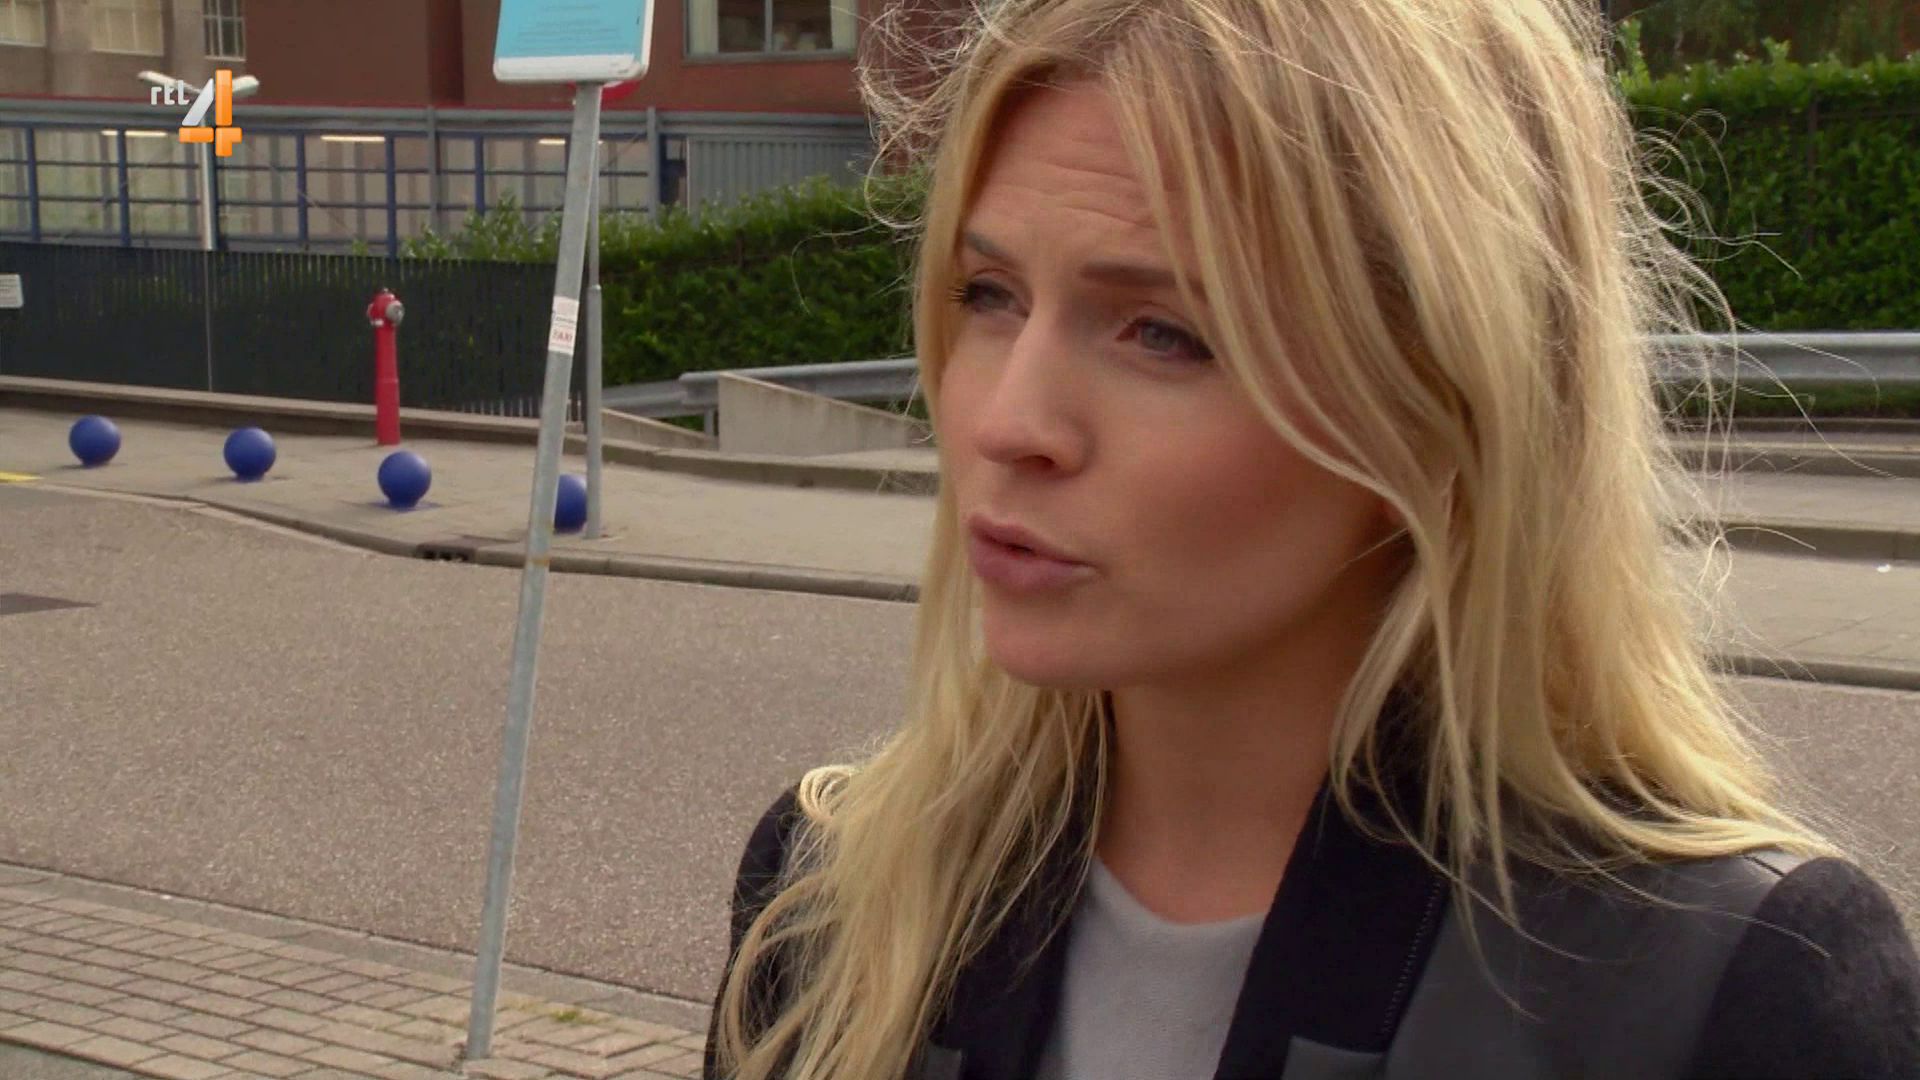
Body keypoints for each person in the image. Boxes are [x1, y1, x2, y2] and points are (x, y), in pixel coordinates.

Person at [702, 0, 1920, 1076]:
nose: (1007, 422)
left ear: (1442, 402)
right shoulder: (834, 900)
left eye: (1162, 333)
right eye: (990, 295)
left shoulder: (1729, 988)